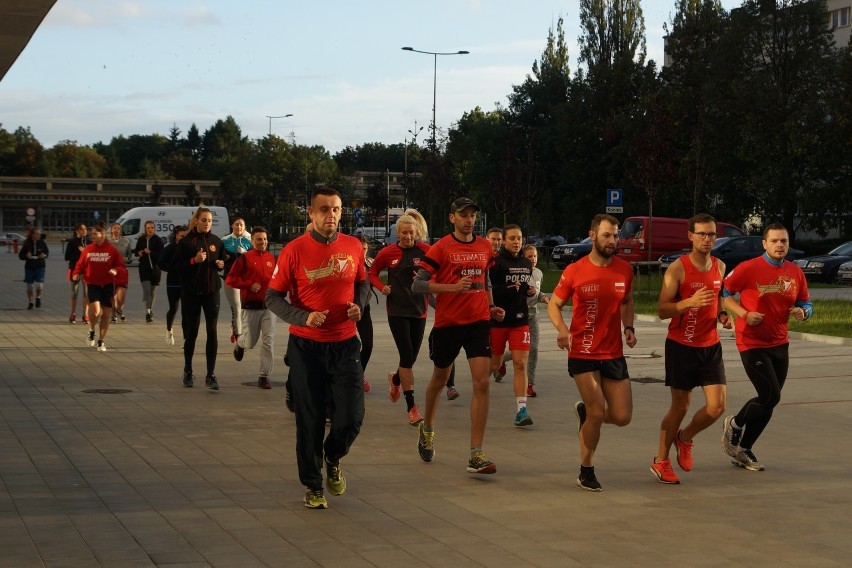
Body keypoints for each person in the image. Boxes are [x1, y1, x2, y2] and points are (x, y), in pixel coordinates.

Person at [266, 188, 369, 510]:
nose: (331, 215)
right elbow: (273, 297)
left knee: (352, 416)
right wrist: (303, 317)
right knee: (309, 420)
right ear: (311, 213)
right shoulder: (294, 251)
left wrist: (360, 306)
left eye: (336, 209)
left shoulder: (353, 246)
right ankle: (313, 485)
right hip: (306, 347)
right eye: (324, 209)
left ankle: (333, 455)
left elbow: (363, 283)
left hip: (345, 343)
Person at [413, 197, 504, 475]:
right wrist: (451, 289)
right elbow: (418, 285)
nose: (469, 219)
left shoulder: (484, 246)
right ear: (452, 217)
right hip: (448, 323)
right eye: (463, 215)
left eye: (473, 215)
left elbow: (485, 280)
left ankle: (476, 453)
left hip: (478, 321)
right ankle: (427, 427)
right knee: (439, 380)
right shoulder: (442, 247)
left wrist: (490, 306)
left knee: (482, 381)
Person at [547, 213, 636, 492]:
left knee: (622, 417)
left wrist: (629, 326)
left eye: (616, 235)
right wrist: (562, 329)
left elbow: (628, 300)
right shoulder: (575, 270)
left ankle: (585, 415)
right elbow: (554, 304)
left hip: (613, 352)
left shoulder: (624, 270)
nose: (613, 240)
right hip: (582, 351)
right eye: (607, 235)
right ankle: (586, 469)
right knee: (599, 412)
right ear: (593, 235)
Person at [720, 222, 811, 471]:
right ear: (765, 243)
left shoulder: (795, 272)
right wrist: (743, 314)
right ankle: (735, 424)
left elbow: (806, 302)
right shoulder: (748, 268)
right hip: (751, 342)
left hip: (780, 342)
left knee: (768, 400)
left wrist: (803, 312)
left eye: (783, 241)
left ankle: (744, 450)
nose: (780, 245)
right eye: (774, 241)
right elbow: (725, 292)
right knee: (771, 394)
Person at [651, 214, 732, 485]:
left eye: (711, 234)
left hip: (710, 345)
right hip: (681, 346)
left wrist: (722, 315)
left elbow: (718, 299)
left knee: (717, 407)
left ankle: (684, 438)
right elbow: (662, 310)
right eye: (701, 234)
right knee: (680, 407)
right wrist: (688, 302)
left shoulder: (720, 266)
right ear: (690, 236)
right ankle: (661, 460)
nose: (707, 239)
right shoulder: (677, 269)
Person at [369, 209, 431, 426]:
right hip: (396, 311)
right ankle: (411, 407)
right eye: (403, 233)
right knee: (406, 357)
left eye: (411, 233)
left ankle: (395, 379)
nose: (407, 237)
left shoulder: (425, 250)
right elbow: (372, 273)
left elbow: (440, 269)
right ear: (397, 233)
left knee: (410, 359)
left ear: (416, 232)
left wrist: (426, 278)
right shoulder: (388, 253)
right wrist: (381, 287)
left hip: (419, 311)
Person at [489, 224, 535, 427]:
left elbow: (522, 287)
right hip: (499, 321)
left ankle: (521, 409)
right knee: (494, 364)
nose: (517, 242)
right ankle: (480, 386)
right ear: (504, 241)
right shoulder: (495, 263)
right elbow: (489, 289)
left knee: (520, 363)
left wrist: (528, 290)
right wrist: (509, 288)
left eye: (520, 238)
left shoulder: (526, 262)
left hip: (520, 321)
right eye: (513, 238)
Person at [175, 208, 226, 390]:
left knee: (212, 330)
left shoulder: (216, 241)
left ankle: (211, 374)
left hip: (211, 292)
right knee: (192, 332)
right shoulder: (186, 242)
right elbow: (177, 267)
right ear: (196, 220)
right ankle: (188, 370)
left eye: (210, 220)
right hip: (191, 293)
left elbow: (220, 263)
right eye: (204, 220)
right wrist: (193, 261)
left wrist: (220, 265)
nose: (207, 223)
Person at [227, 226, 276, 389]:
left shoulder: (272, 258)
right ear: (252, 241)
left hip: (269, 307)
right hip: (250, 307)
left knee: (268, 341)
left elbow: (278, 280)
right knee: (250, 343)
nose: (262, 242)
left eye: (264, 239)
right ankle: (240, 343)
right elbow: (230, 280)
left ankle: (264, 376)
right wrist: (248, 285)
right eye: (259, 239)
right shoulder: (245, 259)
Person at [72, 221, 125, 352]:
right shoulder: (88, 249)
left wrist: (116, 270)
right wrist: (76, 273)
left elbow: (120, 265)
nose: (92, 236)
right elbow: (80, 264)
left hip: (107, 285)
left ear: (102, 234)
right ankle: (91, 330)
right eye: (91, 234)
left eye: (95, 233)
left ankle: (101, 341)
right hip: (92, 284)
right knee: (95, 311)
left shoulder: (112, 250)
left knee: (106, 314)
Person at [518, 244, 548, 397]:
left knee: (534, 349)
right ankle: (501, 361)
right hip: (519, 315)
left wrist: (542, 296)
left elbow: (538, 289)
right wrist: (525, 292)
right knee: (521, 351)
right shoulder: (519, 272)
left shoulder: (539, 273)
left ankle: (530, 384)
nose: (533, 259)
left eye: (535, 256)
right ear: (523, 257)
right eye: (529, 256)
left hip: (533, 316)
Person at [222, 216, 252, 343]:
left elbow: (257, 258)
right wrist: (224, 258)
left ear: (245, 227)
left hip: (247, 280)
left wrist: (246, 252)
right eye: (236, 224)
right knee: (237, 307)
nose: (239, 227)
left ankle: (234, 327)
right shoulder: (225, 240)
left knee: (244, 308)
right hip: (231, 278)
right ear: (232, 226)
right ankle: (239, 337)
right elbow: (219, 257)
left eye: (241, 225)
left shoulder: (250, 240)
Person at [157, 225, 188, 347]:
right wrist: (173, 269)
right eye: (181, 236)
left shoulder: (189, 248)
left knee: (186, 311)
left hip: (186, 283)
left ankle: (186, 338)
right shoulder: (170, 248)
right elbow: (160, 263)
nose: (183, 239)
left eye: (185, 236)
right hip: (173, 283)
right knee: (173, 308)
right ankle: (169, 330)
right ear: (176, 236)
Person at [134, 220, 164, 323]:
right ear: (145, 229)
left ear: (154, 229)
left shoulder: (158, 240)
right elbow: (136, 252)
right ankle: (148, 312)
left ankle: (150, 310)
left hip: (155, 269)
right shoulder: (141, 239)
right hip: (144, 268)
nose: (150, 230)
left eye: (152, 228)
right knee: (146, 291)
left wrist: (151, 252)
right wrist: (140, 253)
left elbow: (161, 255)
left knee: (152, 292)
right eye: (148, 228)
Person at [356, 234, 375, 393]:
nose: (362, 252)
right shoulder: (346, 263)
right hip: (347, 309)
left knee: (368, 344)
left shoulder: (371, 264)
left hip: (364, 309)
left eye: (365, 249)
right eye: (359, 248)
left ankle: (359, 373)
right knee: (350, 346)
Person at [19, 227, 49, 310]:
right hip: (30, 266)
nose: (39, 235)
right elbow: (20, 256)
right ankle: (30, 302)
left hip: (40, 265)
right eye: (37, 234)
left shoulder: (42, 243)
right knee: (30, 286)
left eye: (39, 234)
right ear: (32, 234)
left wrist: (44, 255)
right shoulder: (27, 243)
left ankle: (38, 297)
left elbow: (47, 252)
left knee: (39, 285)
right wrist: (26, 255)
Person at [64, 223, 89, 323]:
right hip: (75, 270)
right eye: (82, 229)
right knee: (74, 293)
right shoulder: (72, 242)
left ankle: (85, 314)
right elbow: (66, 257)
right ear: (77, 231)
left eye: (86, 229)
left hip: (86, 270)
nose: (85, 231)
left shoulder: (89, 242)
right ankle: (73, 313)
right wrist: (79, 255)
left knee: (86, 293)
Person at [109, 222, 132, 322]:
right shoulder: (107, 241)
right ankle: (113, 314)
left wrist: (127, 258)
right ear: (111, 230)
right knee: (112, 294)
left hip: (122, 270)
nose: (117, 230)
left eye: (118, 228)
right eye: (115, 228)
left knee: (121, 295)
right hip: (111, 270)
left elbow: (130, 256)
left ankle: (119, 309)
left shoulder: (125, 241)